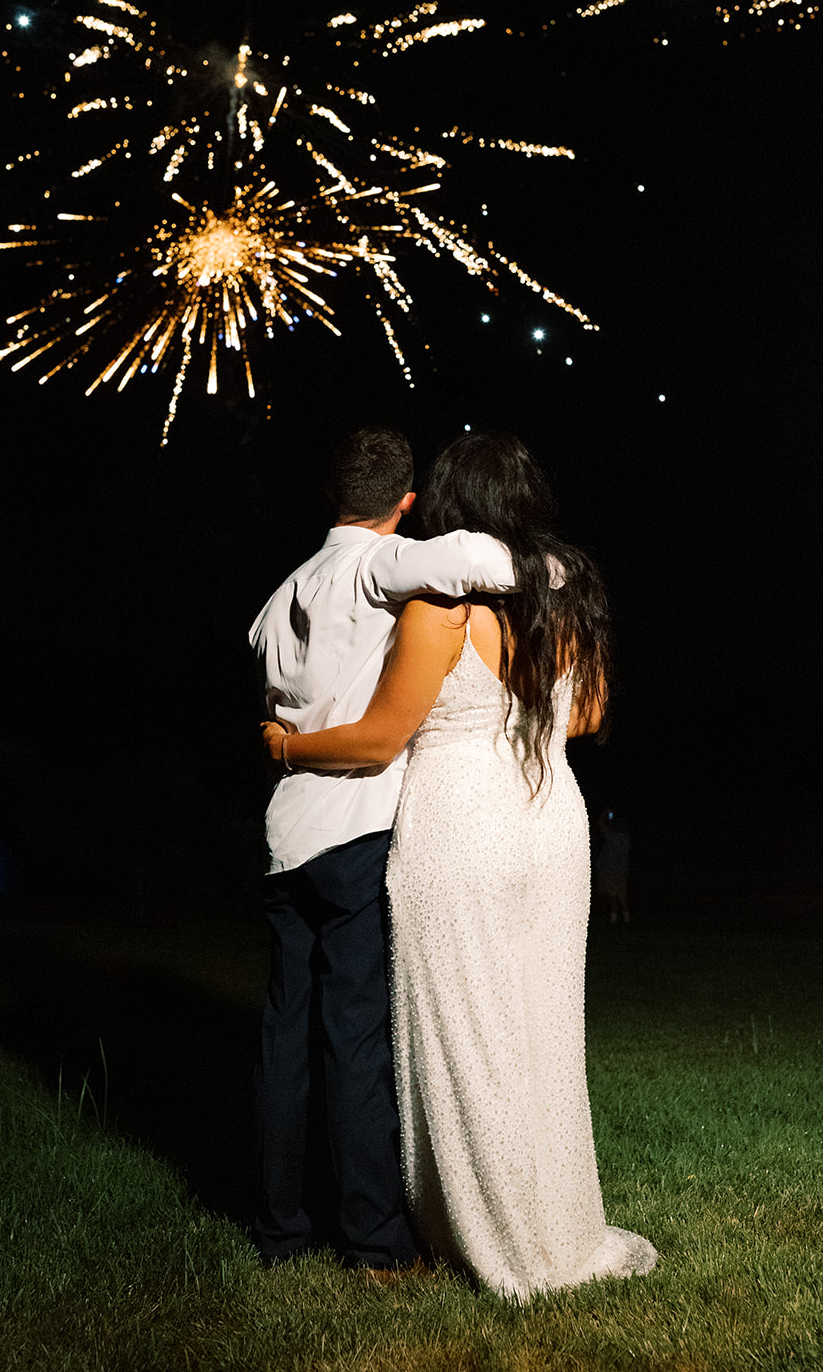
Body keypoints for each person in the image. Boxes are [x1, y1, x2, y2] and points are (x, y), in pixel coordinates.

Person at [262, 432, 657, 1299]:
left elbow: (381, 735)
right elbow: (584, 718)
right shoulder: (566, 595)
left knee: (465, 1034)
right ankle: (554, 1223)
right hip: (549, 820)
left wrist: (288, 743)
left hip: (457, 827)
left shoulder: (438, 608)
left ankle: (487, 1228)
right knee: (539, 1029)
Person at [248, 426, 515, 1277]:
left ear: (330, 496)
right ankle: (372, 1242)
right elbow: (490, 560)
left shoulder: (278, 597)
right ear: (404, 503)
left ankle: (281, 1232)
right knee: (355, 1040)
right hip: (357, 830)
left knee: (284, 1041)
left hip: (288, 837)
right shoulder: (377, 565)